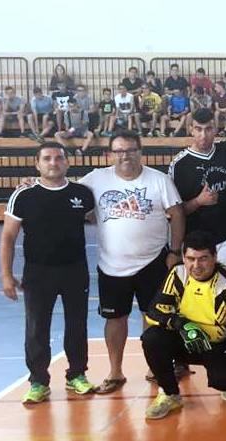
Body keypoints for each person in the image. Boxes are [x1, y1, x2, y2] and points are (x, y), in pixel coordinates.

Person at [78, 130, 185, 394]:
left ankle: (156, 367)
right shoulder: (95, 179)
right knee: (116, 320)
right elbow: (63, 195)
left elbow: (177, 214)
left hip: (153, 262)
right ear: (110, 154)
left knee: (154, 317)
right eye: (119, 151)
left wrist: (174, 251)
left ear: (140, 151)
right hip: (111, 265)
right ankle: (115, 372)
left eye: (130, 150)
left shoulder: (159, 180)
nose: (125, 155)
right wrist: (30, 185)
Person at [0, 142, 96, 404]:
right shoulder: (24, 195)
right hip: (38, 273)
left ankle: (77, 374)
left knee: (77, 324)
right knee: (36, 327)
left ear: (66, 162)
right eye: (47, 158)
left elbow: (97, 220)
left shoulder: (83, 194)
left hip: (75, 270)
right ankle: (38, 381)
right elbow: (8, 237)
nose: (53, 162)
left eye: (58, 158)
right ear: (37, 164)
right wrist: (6, 275)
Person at [141, 231, 226, 419]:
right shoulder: (177, 274)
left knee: (224, 380)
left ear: (214, 258)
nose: (196, 265)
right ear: (183, 257)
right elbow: (154, 311)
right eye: (191, 259)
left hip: (219, 344)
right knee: (151, 339)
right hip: (188, 339)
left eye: (203, 259)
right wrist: (181, 323)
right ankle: (169, 394)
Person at [167, 108, 226, 269]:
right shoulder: (179, 165)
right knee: (197, 291)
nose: (203, 135)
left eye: (208, 129)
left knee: (223, 288)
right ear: (191, 130)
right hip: (196, 242)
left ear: (215, 129)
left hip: (225, 237)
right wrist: (198, 201)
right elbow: (175, 212)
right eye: (198, 129)